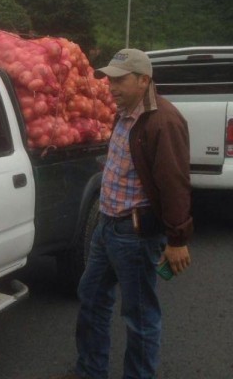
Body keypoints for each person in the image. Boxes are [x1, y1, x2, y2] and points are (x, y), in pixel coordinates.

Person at [53, 48, 193, 379]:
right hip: (107, 227)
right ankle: (91, 370)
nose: (111, 86)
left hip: (135, 235)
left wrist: (177, 239)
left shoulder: (164, 122)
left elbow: (175, 184)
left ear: (144, 80)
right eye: (110, 79)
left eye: (120, 80)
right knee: (91, 297)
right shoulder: (124, 112)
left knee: (140, 315)